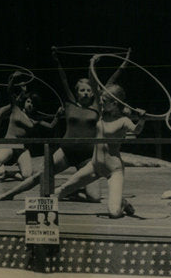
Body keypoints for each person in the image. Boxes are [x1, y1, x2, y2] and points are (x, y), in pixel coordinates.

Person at [0, 50, 130, 202]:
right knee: (40, 176)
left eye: (88, 90)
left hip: (87, 156)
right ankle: (9, 194)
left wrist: (122, 64)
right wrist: (57, 60)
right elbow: (63, 79)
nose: (85, 93)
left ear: (93, 93)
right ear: (76, 92)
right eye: (82, 90)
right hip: (66, 151)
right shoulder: (69, 104)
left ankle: (71, 191)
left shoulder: (97, 106)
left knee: (95, 197)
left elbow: (108, 83)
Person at [53, 83, 146, 218]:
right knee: (62, 189)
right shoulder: (102, 113)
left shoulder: (124, 120)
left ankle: (122, 203)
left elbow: (136, 130)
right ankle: (33, 211)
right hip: (94, 165)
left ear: (114, 103)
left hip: (113, 170)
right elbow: (94, 84)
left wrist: (142, 119)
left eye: (104, 100)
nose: (100, 101)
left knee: (114, 213)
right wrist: (93, 65)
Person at [0, 81, 63, 185]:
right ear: (25, 102)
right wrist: (14, 79)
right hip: (9, 144)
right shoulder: (16, 109)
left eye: (33, 103)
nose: (30, 105)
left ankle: (9, 174)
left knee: (27, 176)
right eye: (28, 101)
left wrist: (58, 116)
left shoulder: (35, 120)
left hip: (21, 147)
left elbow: (51, 126)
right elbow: (9, 91)